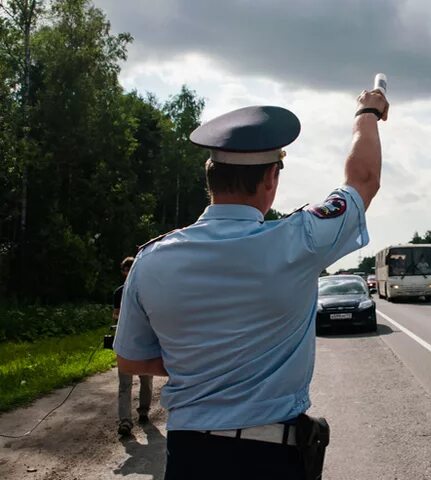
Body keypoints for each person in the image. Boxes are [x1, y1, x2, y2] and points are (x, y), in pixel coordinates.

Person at [113, 89, 388, 479]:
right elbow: (363, 179)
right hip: (272, 458)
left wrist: (198, 367)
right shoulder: (299, 241)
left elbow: (131, 360)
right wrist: (368, 111)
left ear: (211, 178)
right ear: (270, 179)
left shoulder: (151, 259)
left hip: (189, 456)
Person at [113, 256, 154, 437]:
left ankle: (144, 410)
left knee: (146, 379)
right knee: (125, 384)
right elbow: (115, 315)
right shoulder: (119, 293)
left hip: (145, 341)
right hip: (125, 342)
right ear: (123, 272)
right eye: (126, 269)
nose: (129, 272)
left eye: (132, 269)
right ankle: (125, 421)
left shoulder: (148, 291)